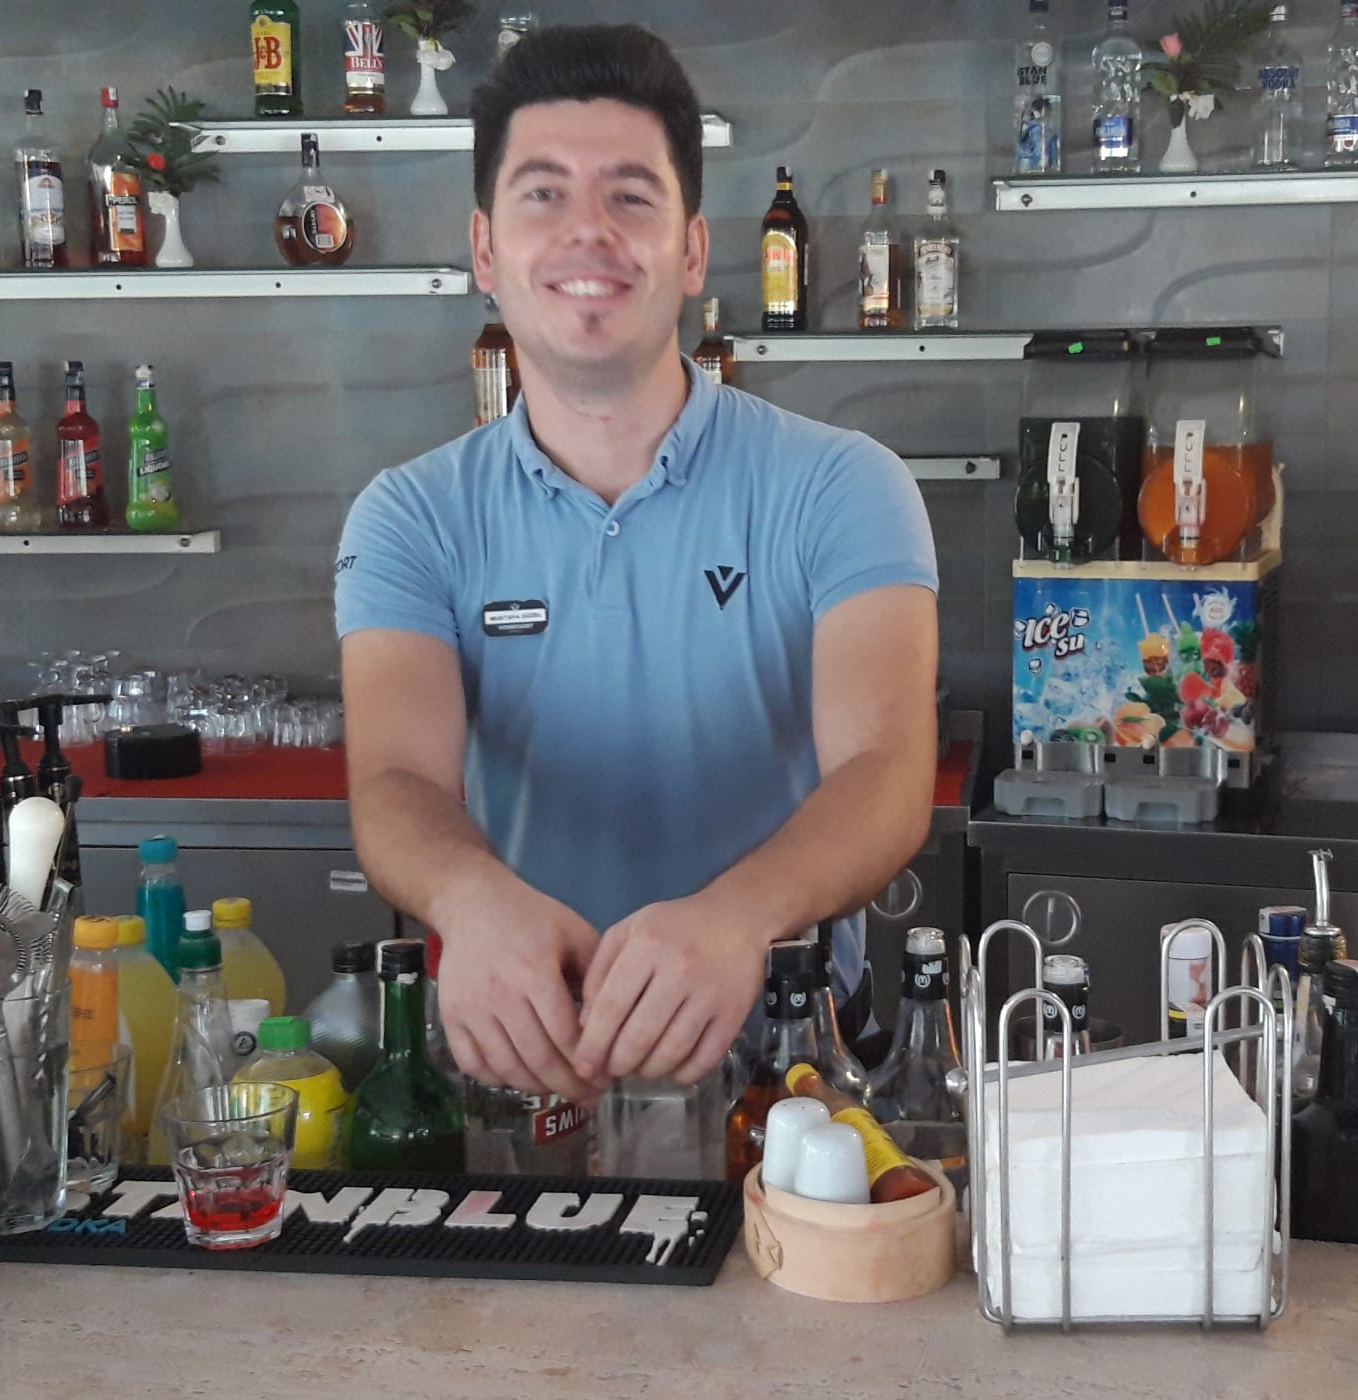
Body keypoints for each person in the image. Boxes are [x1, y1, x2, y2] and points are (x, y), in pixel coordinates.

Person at [332, 25, 939, 1105]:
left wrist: (738, 917)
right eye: (542, 194)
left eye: (630, 195)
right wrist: (469, 899)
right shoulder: (410, 517)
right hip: (531, 1066)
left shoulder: (845, 485)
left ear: (692, 250)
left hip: (791, 1064)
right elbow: (395, 780)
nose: (588, 231)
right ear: (484, 249)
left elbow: (887, 773)